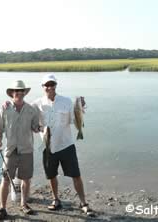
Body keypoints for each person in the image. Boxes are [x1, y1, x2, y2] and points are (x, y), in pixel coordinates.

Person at [32, 74, 94, 216]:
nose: (49, 87)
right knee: (51, 175)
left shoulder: (66, 101)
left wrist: (82, 106)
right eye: (46, 85)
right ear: (42, 87)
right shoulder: (36, 104)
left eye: (52, 84)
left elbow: (74, 119)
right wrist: (9, 104)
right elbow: (29, 118)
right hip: (47, 146)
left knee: (76, 175)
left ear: (56, 85)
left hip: (66, 145)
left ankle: (83, 203)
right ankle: (56, 199)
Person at [0, 80, 40, 220]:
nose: (19, 94)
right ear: (12, 93)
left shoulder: (31, 109)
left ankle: (24, 204)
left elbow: (35, 127)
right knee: (5, 179)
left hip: (26, 150)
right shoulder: (4, 108)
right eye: (16, 92)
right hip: (10, 150)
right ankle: (2, 208)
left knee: (26, 179)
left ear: (24, 93)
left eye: (22, 92)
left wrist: (39, 129)